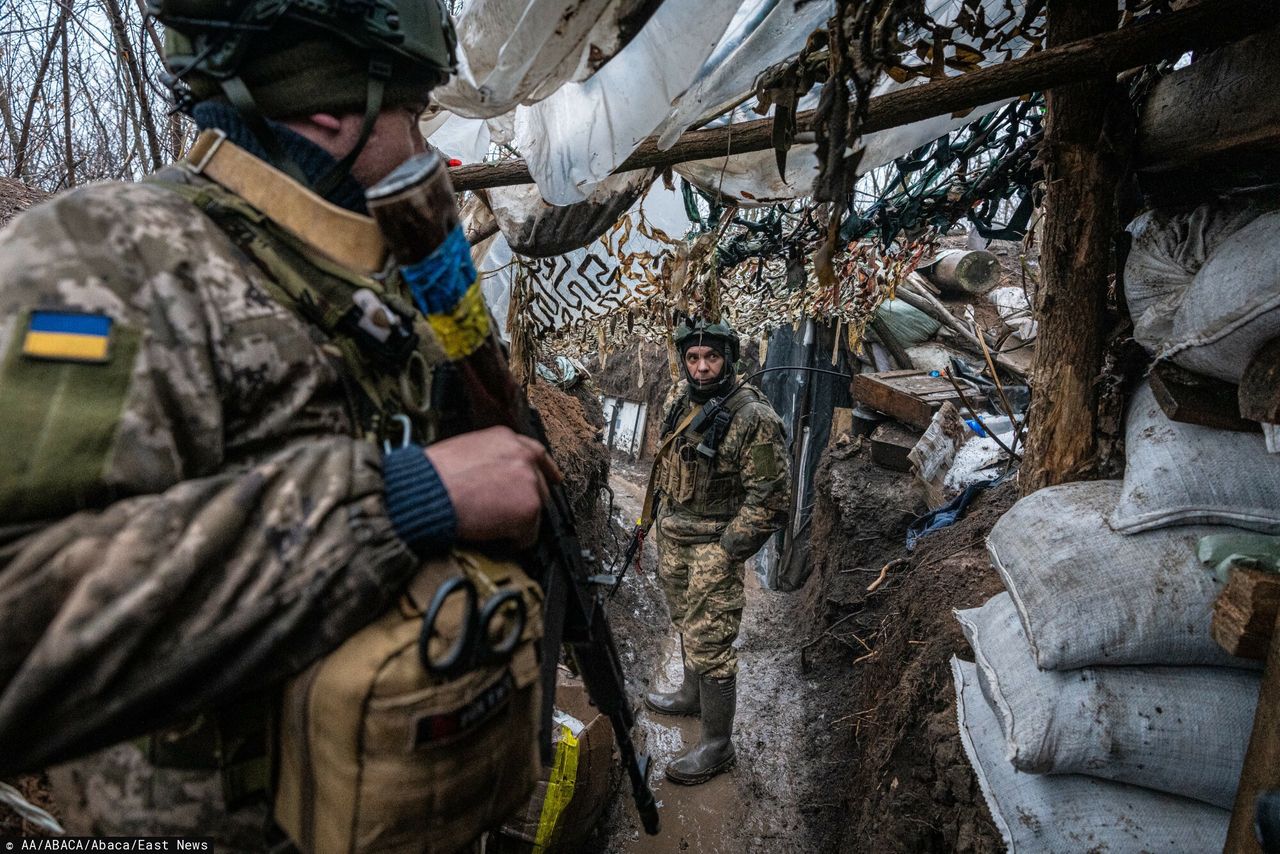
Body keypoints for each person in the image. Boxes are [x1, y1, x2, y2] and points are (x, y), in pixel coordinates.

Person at [0, 1, 557, 848]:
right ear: (332, 108)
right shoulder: (111, 258)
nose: (422, 147)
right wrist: (403, 502)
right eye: (411, 113)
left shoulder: (369, 268)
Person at [644, 318, 791, 785]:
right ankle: (691, 692)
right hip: (674, 536)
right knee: (685, 621)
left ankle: (717, 744)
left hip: (713, 545)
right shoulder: (677, 399)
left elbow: (770, 498)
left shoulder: (754, 419)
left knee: (712, 642)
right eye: (693, 358)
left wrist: (726, 551)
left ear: (729, 358)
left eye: (711, 358)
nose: (702, 367)